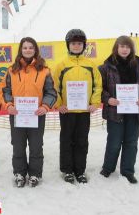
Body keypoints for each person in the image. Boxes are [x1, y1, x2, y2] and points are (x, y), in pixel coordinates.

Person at [0, 37, 57, 187]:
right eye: (25, 48)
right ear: (20, 50)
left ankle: (35, 174)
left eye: (31, 47)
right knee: (18, 145)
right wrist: (9, 105)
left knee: (36, 145)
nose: (28, 50)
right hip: (17, 115)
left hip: (37, 115)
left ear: (35, 50)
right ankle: (19, 173)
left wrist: (45, 106)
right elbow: (6, 91)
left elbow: (51, 92)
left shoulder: (44, 71)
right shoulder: (11, 70)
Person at [98, 35, 139, 184]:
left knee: (131, 142)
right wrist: (108, 99)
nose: (124, 49)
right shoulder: (105, 67)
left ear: (131, 49)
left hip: (134, 113)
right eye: (122, 46)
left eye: (127, 47)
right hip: (115, 113)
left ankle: (128, 171)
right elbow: (99, 89)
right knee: (114, 142)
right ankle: (108, 168)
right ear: (116, 48)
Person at [53, 29, 102, 183]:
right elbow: (55, 87)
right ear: (68, 45)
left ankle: (80, 170)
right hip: (67, 111)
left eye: (79, 43)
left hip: (84, 111)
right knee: (66, 139)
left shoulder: (91, 65)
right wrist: (59, 104)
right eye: (73, 43)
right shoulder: (61, 65)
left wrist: (94, 103)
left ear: (84, 45)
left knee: (82, 140)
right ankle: (67, 170)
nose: (76, 46)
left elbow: (97, 85)